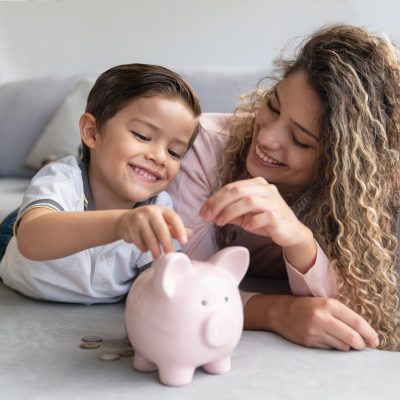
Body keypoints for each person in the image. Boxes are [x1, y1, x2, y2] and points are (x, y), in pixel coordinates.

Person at [168, 24, 400, 351]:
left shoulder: (362, 194)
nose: (266, 138)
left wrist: (299, 239)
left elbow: (364, 310)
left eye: (300, 139)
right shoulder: (203, 146)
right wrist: (278, 312)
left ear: (338, 163)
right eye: (273, 106)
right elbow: (182, 287)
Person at [0, 63, 201, 304]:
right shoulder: (62, 179)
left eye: (174, 152)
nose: (159, 157)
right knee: (25, 219)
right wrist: (120, 224)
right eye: (142, 136)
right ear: (92, 132)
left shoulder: (159, 209)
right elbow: (31, 239)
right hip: (19, 244)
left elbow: (163, 284)